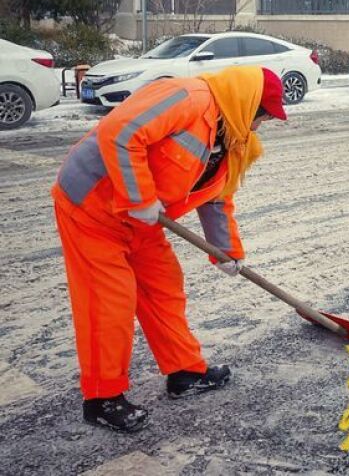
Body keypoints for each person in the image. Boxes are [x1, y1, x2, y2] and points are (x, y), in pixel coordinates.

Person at [51, 66, 286, 432]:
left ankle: (185, 373)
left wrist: (226, 252)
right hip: (92, 207)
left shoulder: (231, 140)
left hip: (142, 221)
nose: (259, 126)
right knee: (109, 301)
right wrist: (140, 196)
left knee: (164, 289)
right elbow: (120, 132)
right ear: (247, 103)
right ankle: (102, 397)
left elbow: (217, 199)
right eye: (262, 116)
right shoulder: (187, 98)